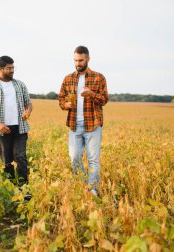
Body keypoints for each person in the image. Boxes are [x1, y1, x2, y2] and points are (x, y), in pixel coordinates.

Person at [58, 45, 109, 196]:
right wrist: (65, 104)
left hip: (93, 125)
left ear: (88, 59)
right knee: (74, 157)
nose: (78, 63)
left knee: (93, 159)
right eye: (75, 60)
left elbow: (105, 100)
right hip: (74, 124)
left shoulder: (99, 77)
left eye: (81, 60)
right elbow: (60, 99)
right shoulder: (68, 78)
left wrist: (91, 94)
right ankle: (82, 185)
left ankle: (92, 189)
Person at [0, 55, 33, 186]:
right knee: (7, 162)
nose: (12, 70)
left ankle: (24, 190)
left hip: (20, 127)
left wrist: (28, 111)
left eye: (13, 67)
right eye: (9, 68)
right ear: (0, 69)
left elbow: (29, 103)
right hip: (2, 129)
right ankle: (11, 190)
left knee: (20, 158)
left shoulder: (20, 84)